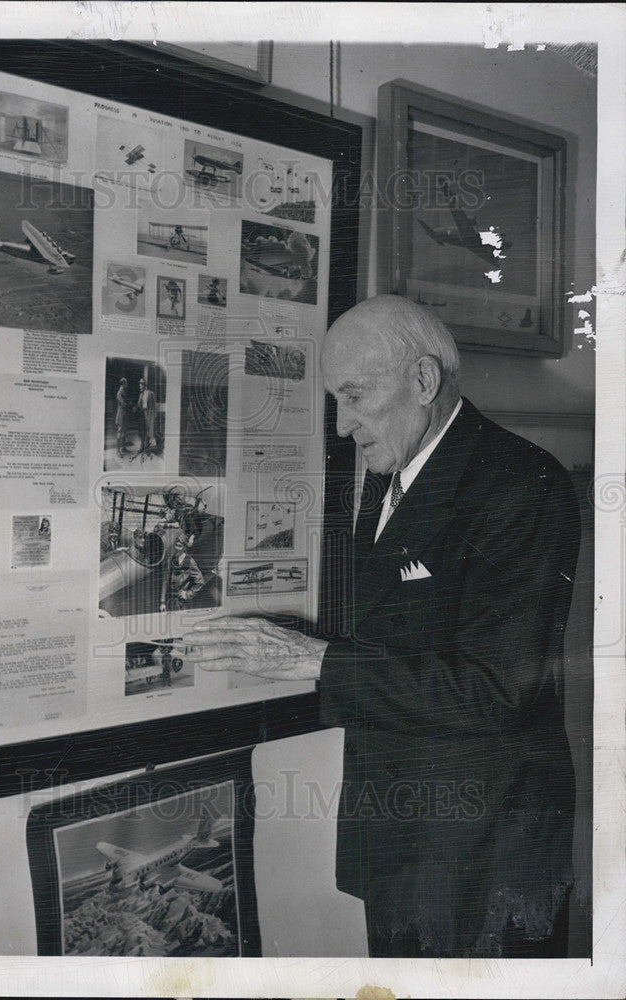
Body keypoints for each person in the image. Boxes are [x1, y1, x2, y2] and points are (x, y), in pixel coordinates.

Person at [182, 294, 580, 958]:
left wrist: (312, 661)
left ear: (423, 380)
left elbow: (496, 690)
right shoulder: (389, 472)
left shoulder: (521, 483)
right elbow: (396, 636)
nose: (342, 427)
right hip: (398, 833)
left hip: (484, 846)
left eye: (355, 397)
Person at [160, 535, 204, 613]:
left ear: (184, 547)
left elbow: (200, 582)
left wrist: (188, 594)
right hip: (170, 600)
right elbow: (165, 581)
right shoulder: (171, 560)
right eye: (176, 545)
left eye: (179, 546)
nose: (177, 548)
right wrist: (162, 602)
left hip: (182, 602)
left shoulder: (190, 561)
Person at [136, 378, 158, 452]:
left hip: (148, 414)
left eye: (141, 385)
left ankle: (147, 447)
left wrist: (155, 416)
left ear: (144, 386)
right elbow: (138, 406)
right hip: (142, 415)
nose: (140, 387)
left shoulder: (150, 393)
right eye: (139, 385)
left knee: (148, 431)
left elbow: (154, 405)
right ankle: (142, 446)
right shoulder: (140, 394)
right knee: (142, 431)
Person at [115, 377, 130, 455]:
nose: (127, 384)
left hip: (124, 414)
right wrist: (130, 405)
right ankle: (118, 451)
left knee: (124, 432)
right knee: (120, 432)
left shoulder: (123, 391)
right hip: (121, 415)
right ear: (123, 383)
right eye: (126, 383)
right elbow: (123, 404)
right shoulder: (120, 392)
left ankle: (123, 448)